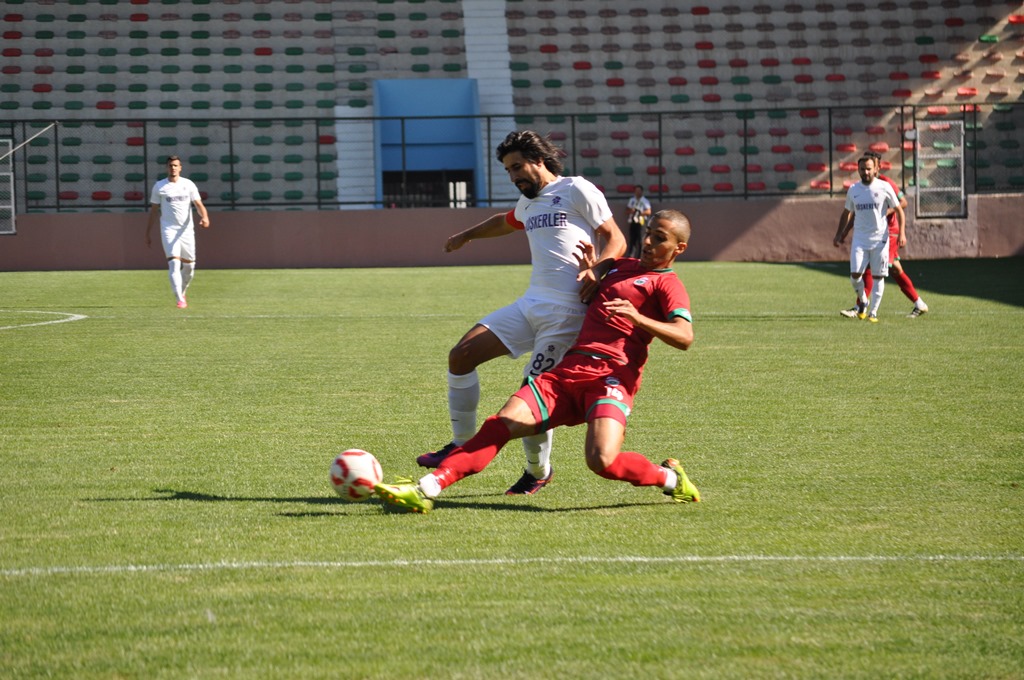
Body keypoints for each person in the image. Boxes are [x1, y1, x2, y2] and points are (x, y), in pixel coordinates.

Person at [377, 210, 701, 514]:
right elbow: (592, 297)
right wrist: (590, 272)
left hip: (611, 378)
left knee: (602, 460)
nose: (647, 242)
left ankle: (671, 479)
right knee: (501, 423)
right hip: (569, 370)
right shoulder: (619, 266)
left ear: (679, 247)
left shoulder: (667, 283)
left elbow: (684, 336)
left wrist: (638, 318)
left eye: (659, 238)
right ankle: (425, 490)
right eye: (647, 233)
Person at [416, 130, 627, 495]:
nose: (514, 176)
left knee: (533, 396)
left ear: (538, 160)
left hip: (567, 315)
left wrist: (599, 268)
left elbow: (616, 238)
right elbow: (505, 221)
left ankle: (537, 470)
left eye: (517, 167)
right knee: (461, 355)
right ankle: (461, 443)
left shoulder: (576, 188)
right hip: (531, 304)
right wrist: (466, 235)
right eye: (508, 171)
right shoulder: (528, 202)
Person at [839, 151, 929, 319]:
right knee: (894, 269)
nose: (868, 170)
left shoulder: (886, 183)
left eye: (872, 165)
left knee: (872, 268)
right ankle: (919, 303)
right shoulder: (860, 188)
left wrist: (884, 212)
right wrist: (845, 232)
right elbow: (857, 213)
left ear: (877, 166)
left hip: (889, 231)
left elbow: (903, 202)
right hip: (873, 233)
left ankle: (860, 306)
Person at [832, 154, 904, 323]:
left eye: (869, 169)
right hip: (860, 239)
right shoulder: (854, 189)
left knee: (878, 276)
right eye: (862, 169)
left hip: (880, 239)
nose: (866, 172)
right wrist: (840, 233)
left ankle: (874, 312)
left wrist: (902, 233)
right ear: (858, 170)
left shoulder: (884, 187)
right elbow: (846, 213)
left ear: (876, 169)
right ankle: (863, 300)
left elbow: (899, 209)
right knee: (855, 275)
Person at [145, 156, 210, 309]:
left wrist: (205, 217)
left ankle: (183, 291)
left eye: (175, 165)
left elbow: (198, 204)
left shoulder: (188, 185)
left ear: (180, 168)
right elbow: (154, 212)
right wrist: (147, 233)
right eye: (170, 166)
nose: (173, 168)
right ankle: (179, 299)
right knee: (174, 263)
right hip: (168, 229)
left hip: (186, 231)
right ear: (166, 168)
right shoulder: (159, 186)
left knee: (189, 268)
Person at [624, 185, 652, 258]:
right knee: (632, 240)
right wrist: (632, 211)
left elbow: (648, 211)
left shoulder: (645, 201)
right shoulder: (632, 200)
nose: (637, 192)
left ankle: (640, 256)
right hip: (633, 221)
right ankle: (631, 256)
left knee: (640, 240)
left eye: (639, 191)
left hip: (641, 222)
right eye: (636, 191)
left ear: (642, 192)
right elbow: (627, 210)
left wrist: (640, 213)